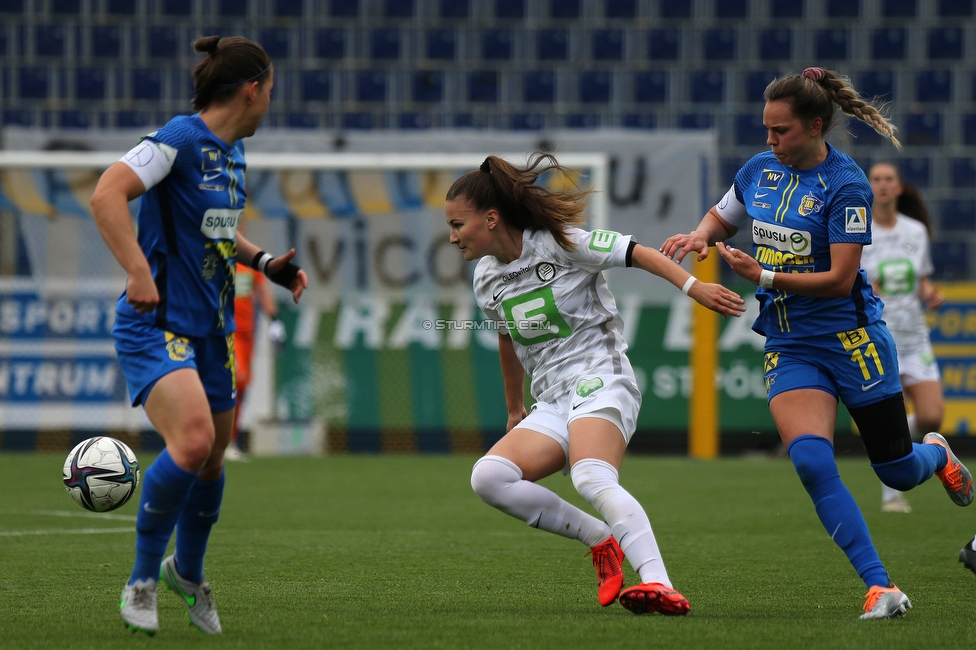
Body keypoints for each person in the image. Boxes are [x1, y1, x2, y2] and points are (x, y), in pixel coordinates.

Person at [660, 67, 973, 620]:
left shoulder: (847, 185)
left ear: (815, 126)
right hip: (790, 341)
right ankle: (881, 587)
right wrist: (699, 235)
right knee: (810, 461)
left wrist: (762, 278)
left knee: (896, 471)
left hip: (853, 341)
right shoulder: (760, 169)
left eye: (781, 131)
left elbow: (839, 279)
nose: (770, 141)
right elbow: (722, 215)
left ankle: (936, 455)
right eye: (766, 129)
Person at [446, 153, 745, 615]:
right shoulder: (486, 278)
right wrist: (514, 407)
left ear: (490, 218)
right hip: (553, 399)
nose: (452, 237)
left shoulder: (561, 242)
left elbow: (637, 252)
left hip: (601, 379)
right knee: (488, 477)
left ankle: (659, 583)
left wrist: (693, 287)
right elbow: (506, 336)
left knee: (590, 475)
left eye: (457, 224)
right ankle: (600, 539)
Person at [89, 35, 308, 636]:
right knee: (189, 444)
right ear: (252, 90)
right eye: (271, 92)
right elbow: (107, 192)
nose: (270, 103)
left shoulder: (231, 154)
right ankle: (139, 581)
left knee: (212, 460)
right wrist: (137, 270)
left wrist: (265, 263)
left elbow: (216, 229)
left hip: (211, 329)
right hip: (157, 323)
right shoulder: (179, 140)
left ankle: (185, 574)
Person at [861, 163, 945, 513]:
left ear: (899, 188)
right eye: (876, 179)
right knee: (889, 413)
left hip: (915, 336)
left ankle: (897, 442)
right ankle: (891, 497)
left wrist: (929, 295)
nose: (882, 185)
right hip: (880, 334)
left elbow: (920, 280)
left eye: (888, 179)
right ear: (869, 187)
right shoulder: (858, 231)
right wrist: (867, 288)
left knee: (931, 417)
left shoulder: (916, 231)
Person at [227, 227, 287, 462]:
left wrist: (275, 323)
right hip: (222, 333)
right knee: (234, 379)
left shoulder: (249, 263)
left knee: (240, 387)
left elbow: (263, 293)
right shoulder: (212, 260)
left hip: (246, 335)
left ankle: (228, 441)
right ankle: (214, 441)